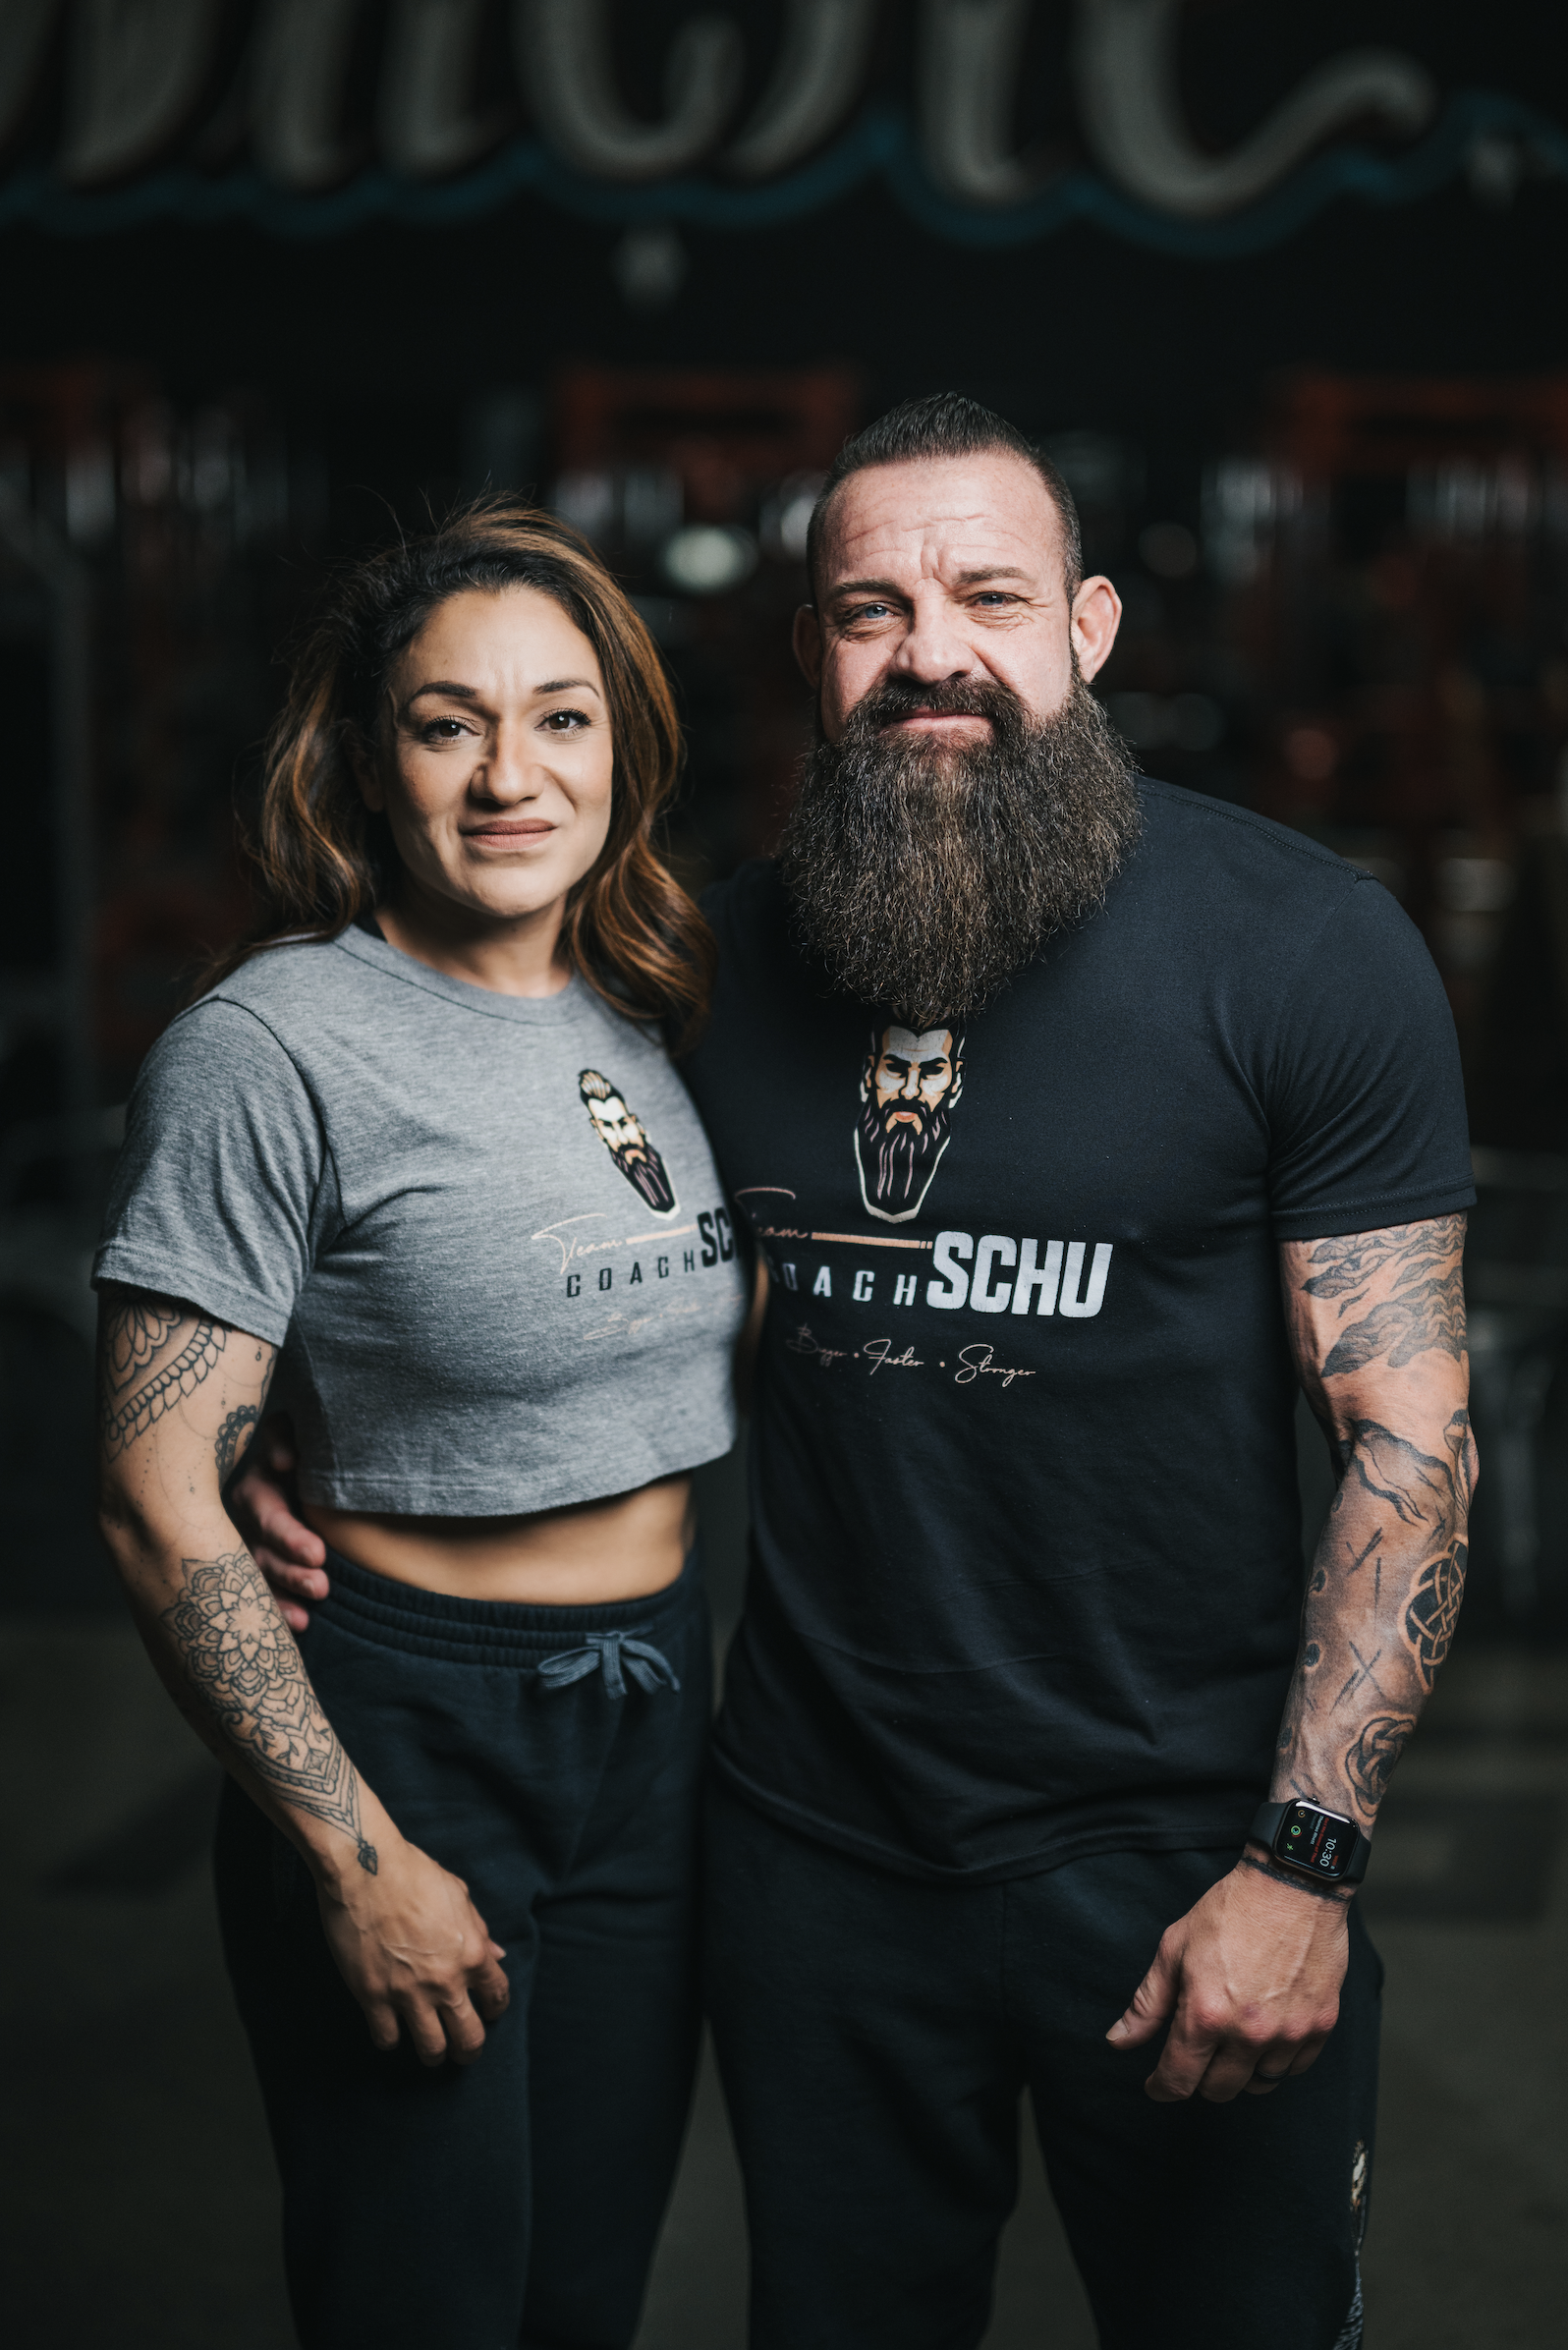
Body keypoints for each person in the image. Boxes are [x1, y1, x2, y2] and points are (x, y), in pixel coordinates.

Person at [243, 397, 1476, 2350]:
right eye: (869, 606)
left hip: (1182, 1861)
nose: (930, 650)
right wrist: (309, 1428)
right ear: (814, 655)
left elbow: (1411, 1442)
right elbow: (557, 1274)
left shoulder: (1306, 953)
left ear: (1088, 628)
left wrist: (1302, 1861)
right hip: (817, 1863)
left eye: (986, 591)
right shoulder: (710, 973)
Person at [93, 503, 751, 2350]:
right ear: (367, 760)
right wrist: (357, 1857)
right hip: (412, 1721)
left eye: (559, 718)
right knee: (425, 2302)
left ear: (621, 748)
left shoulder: (644, 1013)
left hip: (649, 1715)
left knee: (577, 2298)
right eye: (448, 721)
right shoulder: (274, 1043)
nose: (508, 774)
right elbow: (157, 1497)